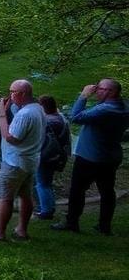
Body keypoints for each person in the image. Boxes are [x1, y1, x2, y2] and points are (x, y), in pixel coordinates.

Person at [52, 79, 129, 235]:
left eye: (100, 89)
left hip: (91, 157)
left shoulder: (106, 110)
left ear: (111, 92)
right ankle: (104, 226)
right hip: (111, 156)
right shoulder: (124, 107)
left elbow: (76, 117)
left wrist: (83, 96)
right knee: (107, 191)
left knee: (77, 190)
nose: (96, 91)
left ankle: (72, 222)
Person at [0, 79, 45, 242]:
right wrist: (9, 108)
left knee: (5, 197)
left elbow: (11, 137)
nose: (9, 95)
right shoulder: (37, 108)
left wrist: (2, 113)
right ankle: (22, 230)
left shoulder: (25, 114)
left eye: (12, 92)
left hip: (14, 162)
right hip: (30, 161)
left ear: (21, 94)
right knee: (25, 196)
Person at [34, 95, 70, 220]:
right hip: (55, 154)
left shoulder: (49, 121)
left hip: (46, 155)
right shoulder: (60, 117)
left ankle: (46, 211)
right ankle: (49, 206)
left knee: (42, 183)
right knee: (46, 183)